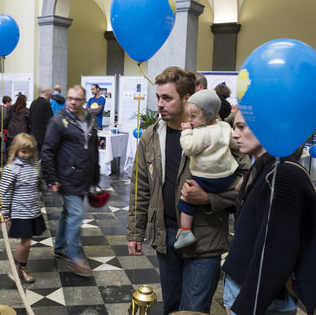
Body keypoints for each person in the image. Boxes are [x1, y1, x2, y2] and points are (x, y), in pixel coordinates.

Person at [126, 66, 249, 314]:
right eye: (158, 97)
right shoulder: (150, 136)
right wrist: (135, 232)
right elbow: (140, 188)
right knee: (171, 305)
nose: (160, 104)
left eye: (167, 98)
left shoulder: (217, 133)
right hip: (166, 236)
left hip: (205, 238)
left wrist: (209, 198)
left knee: (193, 309)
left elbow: (247, 181)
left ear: (186, 98)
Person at [222, 110, 316, 315]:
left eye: (241, 127)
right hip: (246, 286)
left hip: (260, 298)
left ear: (267, 127)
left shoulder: (281, 173)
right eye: (234, 127)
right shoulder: (266, 168)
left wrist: (246, 306)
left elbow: (274, 252)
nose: (234, 134)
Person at [42, 85, 100, 277]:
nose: (73, 102)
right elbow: (48, 150)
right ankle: (74, 257)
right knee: (75, 214)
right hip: (67, 177)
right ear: (66, 99)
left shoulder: (90, 120)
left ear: (84, 101)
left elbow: (93, 149)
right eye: (70, 98)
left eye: (77, 99)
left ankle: (59, 247)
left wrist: (95, 175)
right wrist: (51, 178)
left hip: (84, 176)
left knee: (68, 213)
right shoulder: (58, 121)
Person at [174, 89, 239, 249]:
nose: (190, 119)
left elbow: (189, 148)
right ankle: (233, 210)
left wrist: (186, 132)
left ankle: (185, 232)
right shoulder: (224, 126)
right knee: (229, 193)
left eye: (193, 117)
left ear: (208, 115)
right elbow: (234, 145)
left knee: (186, 197)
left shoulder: (201, 133)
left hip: (205, 178)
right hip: (227, 176)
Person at [0, 133, 46, 284]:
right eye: (23, 152)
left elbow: (38, 184)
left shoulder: (35, 166)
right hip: (20, 212)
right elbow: (4, 192)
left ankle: (23, 268)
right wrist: (4, 213)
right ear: (16, 150)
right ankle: (13, 267)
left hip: (33, 210)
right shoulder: (11, 169)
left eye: (30, 151)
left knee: (28, 242)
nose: (27, 155)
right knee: (24, 243)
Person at [29, 87, 53, 157]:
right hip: (43, 137)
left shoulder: (33, 103)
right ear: (48, 94)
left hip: (33, 135)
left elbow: (30, 118)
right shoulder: (46, 104)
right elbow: (49, 121)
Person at [0, 95, 12, 163]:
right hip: (6, 129)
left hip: (2, 129)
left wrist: (0, 129)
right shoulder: (8, 109)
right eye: (10, 102)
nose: (11, 103)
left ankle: (2, 159)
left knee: (3, 144)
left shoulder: (0, 108)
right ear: (7, 102)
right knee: (4, 145)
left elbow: (0, 120)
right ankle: (4, 160)